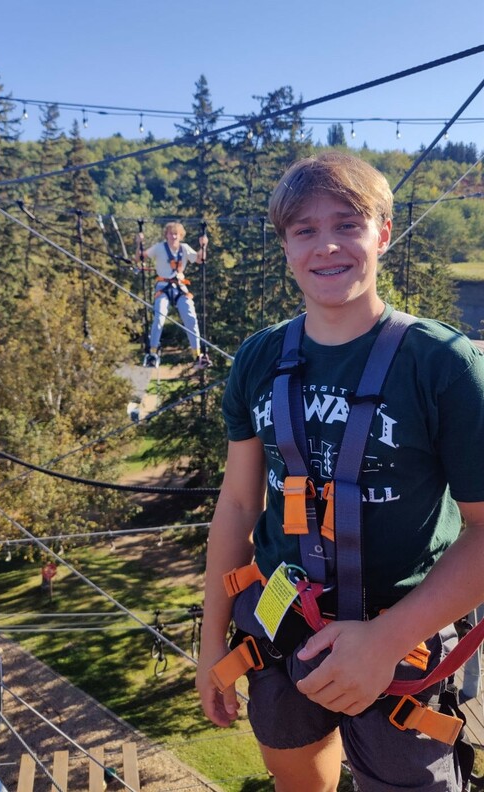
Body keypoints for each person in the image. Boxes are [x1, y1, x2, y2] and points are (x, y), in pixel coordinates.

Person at [195, 151, 484, 791]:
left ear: (382, 233)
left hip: (406, 639)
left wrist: (384, 642)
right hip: (283, 629)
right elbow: (240, 506)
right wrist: (210, 640)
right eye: (305, 230)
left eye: (348, 223)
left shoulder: (440, 363)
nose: (327, 245)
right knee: (296, 774)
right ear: (286, 247)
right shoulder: (260, 359)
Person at [135, 221, 211, 371]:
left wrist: (204, 246)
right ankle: (152, 353)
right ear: (167, 235)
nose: (173, 236)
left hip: (180, 287)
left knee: (191, 318)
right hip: (163, 287)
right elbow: (140, 258)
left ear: (180, 235)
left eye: (176, 234)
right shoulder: (159, 248)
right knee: (159, 317)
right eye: (171, 233)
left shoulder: (185, 248)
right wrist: (139, 243)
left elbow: (200, 259)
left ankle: (198, 355)